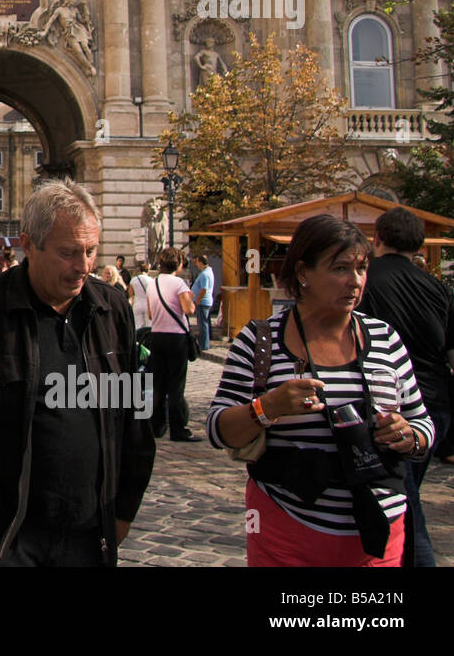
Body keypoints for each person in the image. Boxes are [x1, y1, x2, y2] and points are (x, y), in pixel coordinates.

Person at [0, 179, 156, 566]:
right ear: (28, 245)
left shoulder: (113, 309)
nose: (84, 266)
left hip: (91, 532)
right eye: (69, 252)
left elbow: (135, 414)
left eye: (91, 251)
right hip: (7, 534)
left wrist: (124, 507)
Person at [207, 215, 433, 567]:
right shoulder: (260, 340)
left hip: (379, 531)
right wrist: (268, 407)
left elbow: (422, 425)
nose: (355, 281)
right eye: (340, 268)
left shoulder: (386, 339)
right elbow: (218, 430)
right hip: (286, 531)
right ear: (302, 273)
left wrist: (409, 436)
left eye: (361, 268)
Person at [357, 206, 454, 567]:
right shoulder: (438, 289)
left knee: (406, 508)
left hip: (389, 407)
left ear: (377, 239)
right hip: (434, 407)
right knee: (404, 496)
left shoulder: (364, 280)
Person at [145, 248, 196, 441]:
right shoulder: (179, 283)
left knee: (158, 383)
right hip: (176, 337)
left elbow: (150, 314)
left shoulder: (153, 283)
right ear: (179, 264)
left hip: (157, 335)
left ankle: (156, 426)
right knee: (176, 385)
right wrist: (191, 299)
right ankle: (178, 428)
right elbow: (188, 309)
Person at [190, 254, 215, 351]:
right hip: (205, 301)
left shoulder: (205, 274)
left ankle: (204, 345)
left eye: (196, 262)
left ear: (201, 262)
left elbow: (204, 289)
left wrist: (197, 300)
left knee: (202, 324)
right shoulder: (208, 271)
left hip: (203, 302)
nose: (196, 264)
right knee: (205, 322)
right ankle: (206, 343)